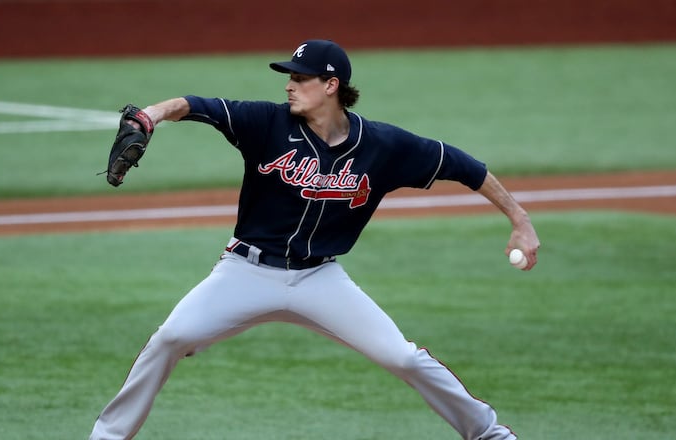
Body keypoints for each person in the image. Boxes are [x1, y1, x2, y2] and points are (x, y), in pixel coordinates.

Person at [90, 39, 540, 440]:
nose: (289, 85)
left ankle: (489, 433)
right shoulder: (266, 123)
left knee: (403, 359)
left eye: (299, 78)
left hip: (320, 280)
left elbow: (466, 167)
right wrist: (150, 116)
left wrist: (520, 220)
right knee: (170, 338)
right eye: (289, 77)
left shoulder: (383, 145)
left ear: (331, 85)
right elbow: (195, 104)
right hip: (245, 272)